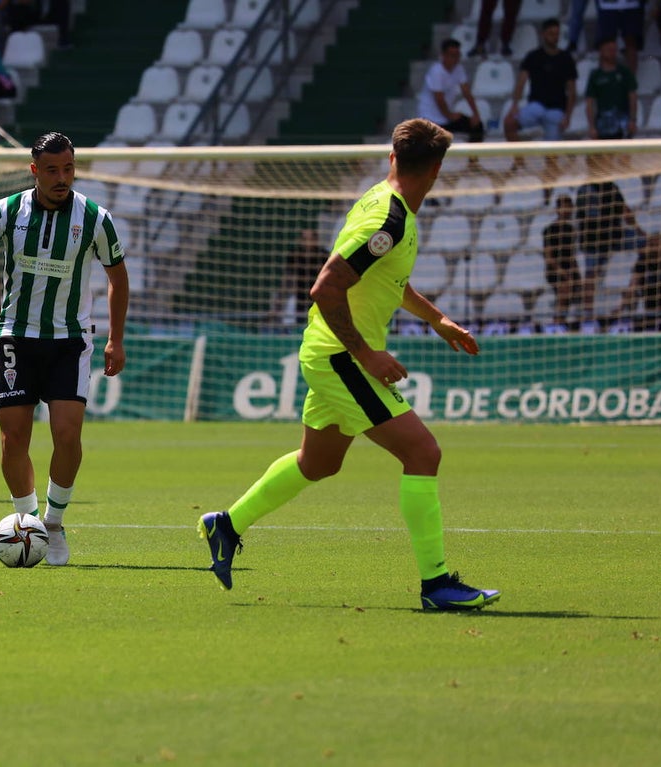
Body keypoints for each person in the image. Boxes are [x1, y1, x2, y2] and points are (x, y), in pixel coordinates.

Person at [196, 118, 499, 611]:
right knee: (423, 453)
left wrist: (436, 318)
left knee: (318, 462)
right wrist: (367, 354)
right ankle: (437, 584)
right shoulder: (389, 218)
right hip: (341, 356)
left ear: (393, 159)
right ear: (437, 170)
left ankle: (226, 524)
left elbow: (385, 283)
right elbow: (325, 287)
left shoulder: (382, 204)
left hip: (328, 350)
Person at [0, 131, 130, 565]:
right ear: (35, 171)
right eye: (52, 170)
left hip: (70, 339)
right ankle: (27, 521)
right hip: (16, 335)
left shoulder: (94, 217)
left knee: (68, 435)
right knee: (14, 438)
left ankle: (53, 523)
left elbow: (118, 278)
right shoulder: (7, 210)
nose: (62, 178)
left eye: (68, 169)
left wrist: (116, 338)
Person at [575, 153, 639, 326]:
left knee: (647, 245)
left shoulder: (611, 186)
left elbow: (625, 211)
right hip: (593, 240)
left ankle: (629, 302)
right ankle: (588, 314)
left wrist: (640, 232)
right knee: (590, 273)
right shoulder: (585, 190)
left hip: (614, 236)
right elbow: (591, 217)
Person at [503, 17, 577, 142]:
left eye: (557, 34)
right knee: (509, 123)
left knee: (551, 156)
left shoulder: (566, 58)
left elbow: (572, 91)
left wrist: (568, 116)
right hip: (536, 106)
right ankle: (520, 159)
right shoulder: (533, 56)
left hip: (556, 109)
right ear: (543, 34)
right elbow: (521, 82)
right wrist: (515, 105)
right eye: (551, 34)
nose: (555, 37)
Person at [416, 39, 485, 143]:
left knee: (477, 126)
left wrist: (476, 114)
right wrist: (450, 115)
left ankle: (472, 158)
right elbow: (439, 98)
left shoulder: (458, 69)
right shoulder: (436, 72)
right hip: (430, 119)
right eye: (452, 55)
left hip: (446, 118)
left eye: (457, 55)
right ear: (443, 55)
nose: (455, 59)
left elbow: (467, 93)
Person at [584, 37, 637, 140]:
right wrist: (592, 127)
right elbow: (589, 103)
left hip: (622, 122)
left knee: (623, 154)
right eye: (609, 49)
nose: (612, 52)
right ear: (601, 51)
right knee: (603, 155)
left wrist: (632, 120)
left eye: (614, 50)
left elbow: (633, 96)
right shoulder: (595, 75)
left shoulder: (625, 72)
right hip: (603, 124)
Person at [541, 194, 581, 328]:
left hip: (569, 268)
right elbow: (549, 257)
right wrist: (563, 273)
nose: (568, 210)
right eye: (565, 207)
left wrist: (574, 271)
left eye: (570, 207)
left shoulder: (571, 230)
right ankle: (557, 323)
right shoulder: (550, 230)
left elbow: (571, 254)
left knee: (574, 294)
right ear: (558, 209)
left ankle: (565, 323)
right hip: (555, 270)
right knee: (563, 293)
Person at [623, 232, 661, 331]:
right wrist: (621, 307)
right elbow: (632, 285)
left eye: (656, 243)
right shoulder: (641, 264)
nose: (653, 246)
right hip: (650, 312)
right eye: (651, 244)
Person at [596, 0, 644, 74]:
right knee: (606, 45)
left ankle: (630, 81)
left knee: (631, 43)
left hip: (631, 6)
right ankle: (605, 81)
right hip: (607, 6)